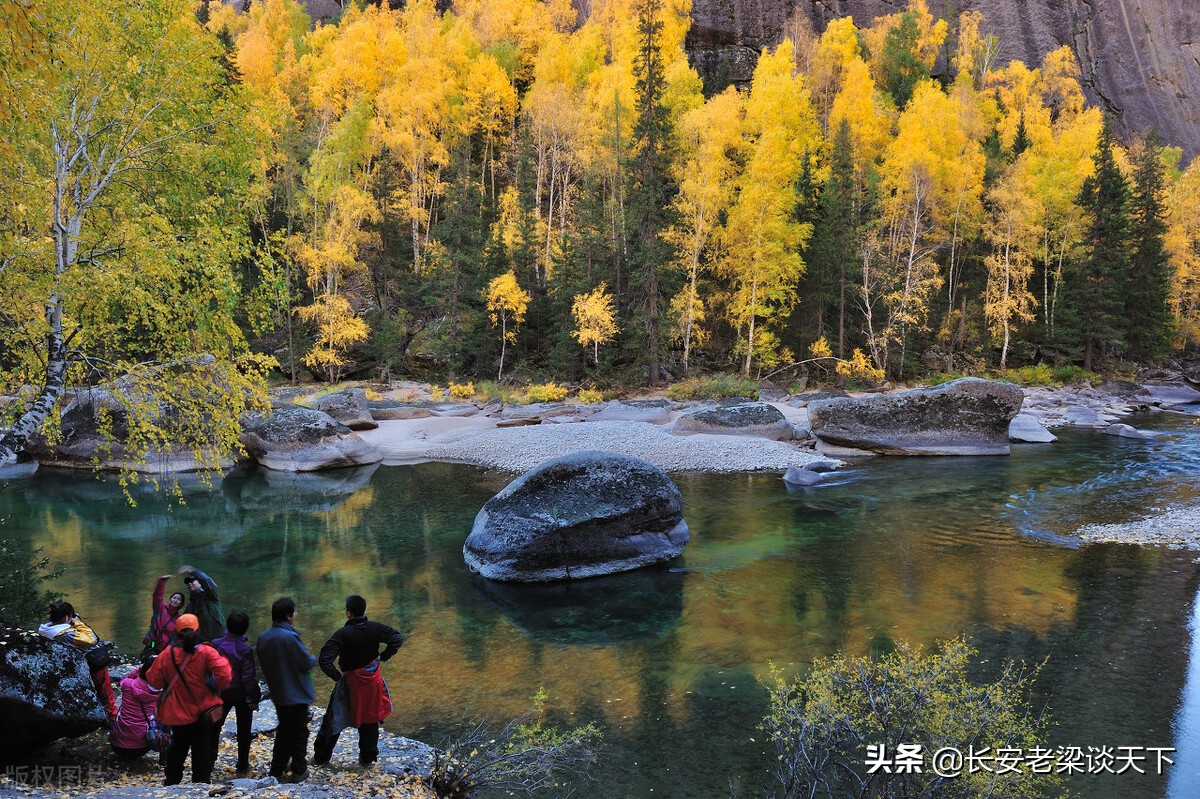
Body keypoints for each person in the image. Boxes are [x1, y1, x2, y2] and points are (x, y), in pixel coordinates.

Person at [314, 595, 404, 767]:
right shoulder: (375, 628)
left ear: (348, 613)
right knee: (370, 719)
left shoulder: (342, 634)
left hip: (349, 683)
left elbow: (324, 660)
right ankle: (367, 760)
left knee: (334, 718)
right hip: (372, 682)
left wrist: (337, 676)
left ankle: (321, 758)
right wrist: (384, 656)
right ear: (363, 610)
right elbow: (397, 639)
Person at [145, 613, 232, 785]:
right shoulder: (207, 652)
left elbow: (153, 680)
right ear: (198, 631)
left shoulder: (167, 655)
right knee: (202, 746)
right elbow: (225, 675)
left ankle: (172, 781)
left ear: (176, 633)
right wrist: (215, 686)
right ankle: (201, 782)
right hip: (203, 712)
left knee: (178, 747)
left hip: (178, 714)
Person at [256, 597, 317, 783]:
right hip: (296, 694)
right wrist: (314, 658)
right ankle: (299, 770)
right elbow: (305, 662)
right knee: (299, 733)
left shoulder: (263, 637)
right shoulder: (290, 637)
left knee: (284, 731)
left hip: (278, 693)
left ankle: (277, 768)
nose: (295, 615)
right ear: (289, 616)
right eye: (294, 612)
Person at [38, 601, 118, 723]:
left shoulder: (46, 630)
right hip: (90, 664)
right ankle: (113, 718)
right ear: (66, 617)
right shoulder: (66, 634)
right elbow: (92, 639)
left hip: (69, 666)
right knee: (105, 690)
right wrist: (78, 622)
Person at [209, 611, 261, 775]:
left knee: (214, 727)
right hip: (240, 693)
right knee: (244, 729)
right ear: (245, 629)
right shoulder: (244, 650)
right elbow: (248, 677)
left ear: (227, 626)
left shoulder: (215, 644)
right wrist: (254, 696)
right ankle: (242, 765)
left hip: (219, 693)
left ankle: (208, 762)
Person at [108, 664, 162, 760]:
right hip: (141, 747)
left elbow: (129, 677)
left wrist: (142, 668)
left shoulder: (127, 685)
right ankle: (164, 758)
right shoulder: (161, 693)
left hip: (116, 745)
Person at [178, 565, 226, 643]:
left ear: (201, 583)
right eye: (188, 583)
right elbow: (183, 624)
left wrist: (192, 570)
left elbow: (208, 581)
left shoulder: (211, 597)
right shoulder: (191, 605)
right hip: (202, 643)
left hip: (220, 640)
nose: (189, 584)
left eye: (192, 581)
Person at [143, 575, 185, 657]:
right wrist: (162, 581)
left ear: (181, 604)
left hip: (166, 651)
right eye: (174, 598)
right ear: (170, 599)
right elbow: (157, 596)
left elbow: (177, 638)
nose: (175, 600)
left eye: (178, 599)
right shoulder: (161, 609)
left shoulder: (179, 620)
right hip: (152, 645)